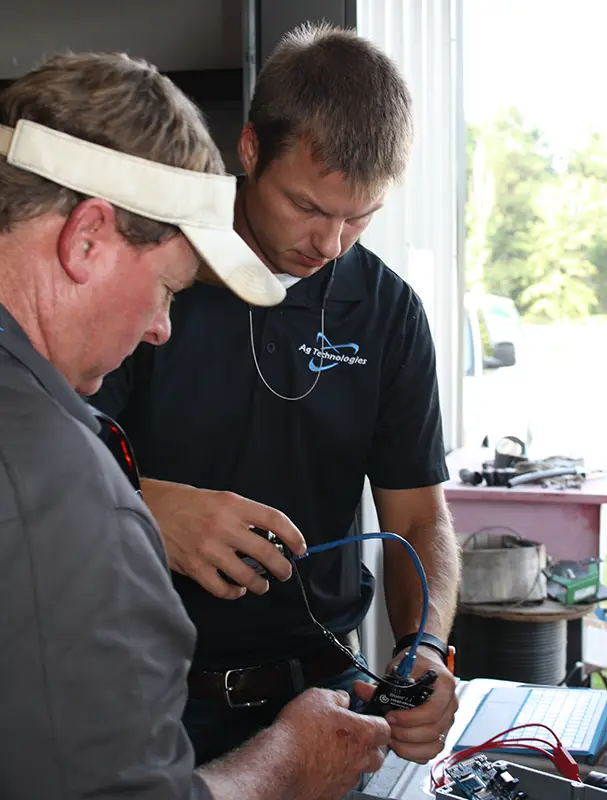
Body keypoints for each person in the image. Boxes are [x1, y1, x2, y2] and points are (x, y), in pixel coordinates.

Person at [0, 51, 392, 800]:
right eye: (168, 290)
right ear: (86, 240)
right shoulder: (62, 483)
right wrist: (291, 760)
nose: (160, 330)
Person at [92, 23, 461, 766]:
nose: (329, 244)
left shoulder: (387, 313)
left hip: (326, 691)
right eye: (307, 207)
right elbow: (41, 452)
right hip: (149, 698)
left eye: (359, 217)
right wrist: (151, 506)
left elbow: (418, 516)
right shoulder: (150, 269)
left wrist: (424, 646)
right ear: (252, 150)